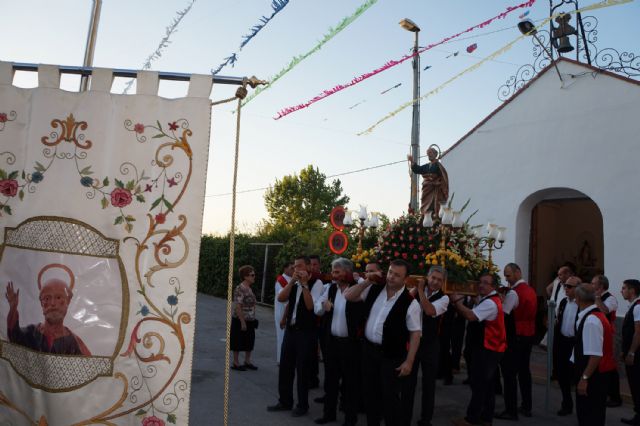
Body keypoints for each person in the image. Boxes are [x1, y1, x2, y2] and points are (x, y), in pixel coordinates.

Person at [344, 259, 421, 426]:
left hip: (391, 357)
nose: (391, 277)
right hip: (369, 351)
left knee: (390, 400)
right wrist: (367, 281)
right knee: (370, 396)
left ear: (405, 279)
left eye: (397, 275)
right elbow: (348, 296)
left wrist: (409, 361)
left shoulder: (410, 303)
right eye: (390, 272)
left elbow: (415, 333)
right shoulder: (374, 289)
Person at [267, 255, 324, 417]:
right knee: (285, 367)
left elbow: (310, 306)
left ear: (308, 267)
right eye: (294, 266)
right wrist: (292, 282)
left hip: (306, 333)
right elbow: (281, 298)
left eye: (299, 266)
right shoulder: (293, 282)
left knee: (303, 370)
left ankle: (302, 405)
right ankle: (285, 401)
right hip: (291, 331)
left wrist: (304, 285)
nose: (295, 269)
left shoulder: (317, 283)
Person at [451, 271, 506, 426]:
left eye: (485, 283)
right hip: (490, 348)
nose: (481, 285)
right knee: (487, 385)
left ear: (493, 286)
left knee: (479, 384)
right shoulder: (489, 299)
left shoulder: (490, 302)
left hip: (488, 348)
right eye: (480, 282)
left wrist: (457, 303)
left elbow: (470, 316)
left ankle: (472, 419)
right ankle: (486, 418)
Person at [313, 258, 363, 426]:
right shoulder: (330, 288)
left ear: (347, 273)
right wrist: (323, 305)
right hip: (332, 342)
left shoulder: (357, 289)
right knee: (330, 380)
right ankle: (329, 414)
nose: (333, 275)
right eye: (333, 271)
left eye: (337, 272)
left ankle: (350, 419)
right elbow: (317, 309)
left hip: (350, 344)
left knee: (350, 383)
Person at [5, 266, 91, 356]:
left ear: (68, 301)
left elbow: (88, 365)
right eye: (47, 298)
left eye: (58, 297)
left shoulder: (74, 341)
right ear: (41, 303)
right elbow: (14, 337)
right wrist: (13, 309)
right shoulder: (32, 333)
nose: (53, 303)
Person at [572, 283, 616, 426]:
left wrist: (584, 378)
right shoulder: (595, 315)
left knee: (589, 415)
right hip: (596, 374)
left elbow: (595, 355)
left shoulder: (591, 320)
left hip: (594, 376)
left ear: (578, 299)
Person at [412, 265, 450, 426]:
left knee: (429, 385)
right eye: (433, 278)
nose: (434, 282)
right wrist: (414, 292)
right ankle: (403, 414)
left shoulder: (444, 298)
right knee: (407, 381)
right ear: (427, 277)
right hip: (412, 342)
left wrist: (420, 291)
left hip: (430, 345)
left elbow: (429, 310)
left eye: (439, 280)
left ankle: (425, 419)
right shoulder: (413, 292)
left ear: (443, 283)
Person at [502, 263, 537, 418]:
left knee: (510, 373)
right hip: (528, 334)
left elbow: (504, 314)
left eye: (508, 275)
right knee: (524, 371)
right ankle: (527, 406)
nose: (506, 278)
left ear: (518, 272)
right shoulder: (530, 290)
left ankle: (511, 410)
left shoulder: (514, 293)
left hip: (515, 335)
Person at [553, 276, 580, 416]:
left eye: (569, 286)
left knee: (575, 376)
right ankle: (566, 404)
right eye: (565, 286)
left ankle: (582, 408)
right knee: (562, 375)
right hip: (563, 342)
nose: (566, 289)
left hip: (575, 343)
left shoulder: (581, 304)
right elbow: (559, 319)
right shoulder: (563, 302)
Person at [495, 280, 519, 420]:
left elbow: (503, 314)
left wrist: (501, 303)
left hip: (508, 344)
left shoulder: (512, 295)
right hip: (503, 342)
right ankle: (510, 408)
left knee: (509, 377)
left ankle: (511, 410)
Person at [407, 145, 449, 217]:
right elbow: (418, 169)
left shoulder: (438, 166)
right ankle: (425, 217)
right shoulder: (426, 166)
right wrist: (412, 161)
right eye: (428, 154)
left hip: (435, 189)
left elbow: (443, 178)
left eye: (430, 153)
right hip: (427, 188)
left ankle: (434, 218)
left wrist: (438, 183)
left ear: (435, 154)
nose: (429, 155)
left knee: (434, 204)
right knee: (424, 205)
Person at [230, 265, 258, 371]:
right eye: (252, 275)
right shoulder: (239, 288)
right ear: (245, 277)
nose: (254, 276)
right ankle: (236, 363)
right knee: (237, 340)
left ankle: (247, 361)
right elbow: (238, 306)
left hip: (250, 319)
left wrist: (253, 317)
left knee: (250, 340)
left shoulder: (249, 289)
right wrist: (242, 322)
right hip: (240, 320)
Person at [620, 279, 640, 425]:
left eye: (624, 288)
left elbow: (638, 332)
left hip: (637, 354)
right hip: (632, 351)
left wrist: (631, 352)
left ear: (632, 291)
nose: (621, 291)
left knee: (636, 383)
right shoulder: (633, 306)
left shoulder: (638, 307)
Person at [275, 261, 294, 364]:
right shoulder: (281, 280)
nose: (294, 270)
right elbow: (283, 297)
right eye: (291, 268)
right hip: (282, 311)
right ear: (285, 269)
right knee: (282, 336)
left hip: (288, 311)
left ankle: (287, 359)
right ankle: (281, 360)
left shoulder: (291, 279)